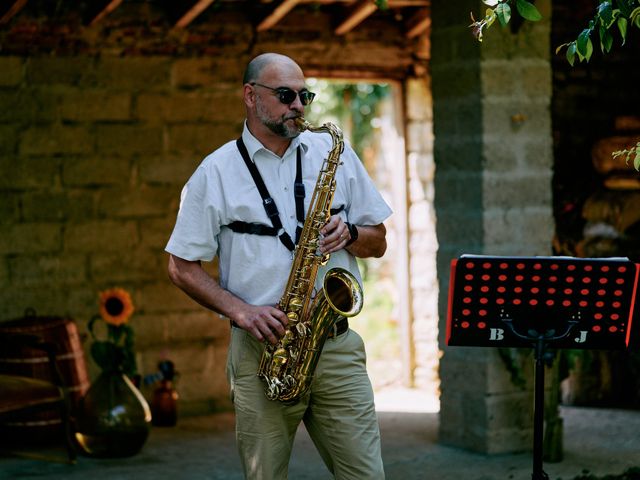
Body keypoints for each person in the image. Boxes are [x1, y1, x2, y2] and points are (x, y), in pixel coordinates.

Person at [165, 52, 392, 480]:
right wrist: (241, 311)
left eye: (304, 95)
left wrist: (353, 235)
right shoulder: (214, 172)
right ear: (251, 96)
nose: (299, 106)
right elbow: (181, 267)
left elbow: (379, 240)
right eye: (286, 95)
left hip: (335, 345)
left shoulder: (333, 152)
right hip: (262, 352)